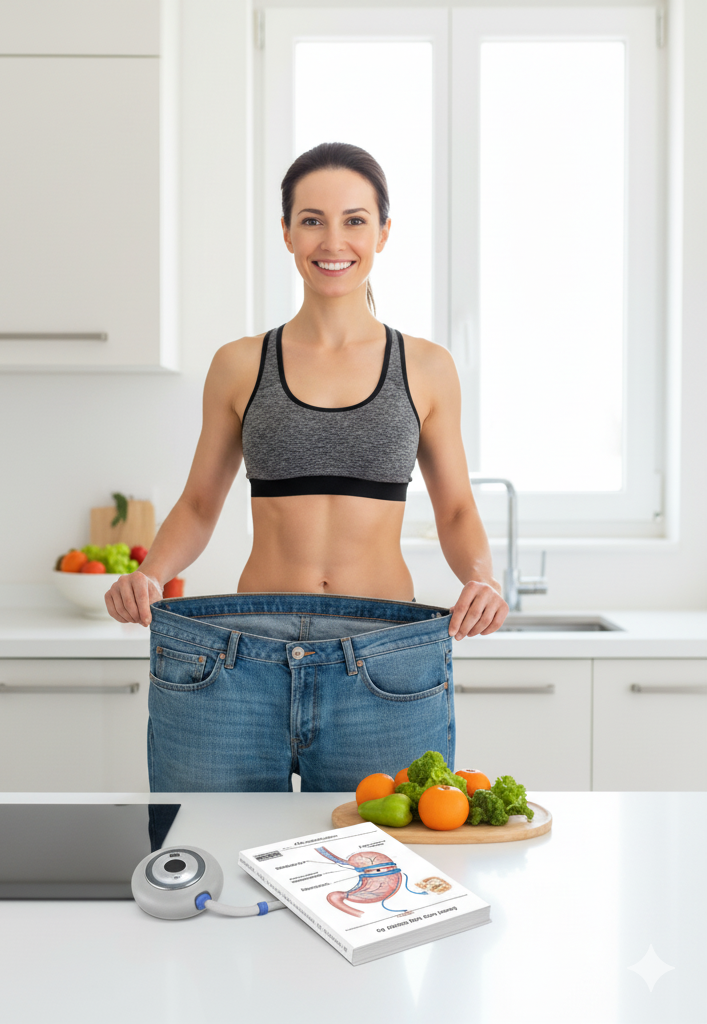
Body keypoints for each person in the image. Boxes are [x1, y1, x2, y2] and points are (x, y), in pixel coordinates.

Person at [106, 141, 509, 792]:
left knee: (377, 872)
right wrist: (151, 574)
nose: (334, 239)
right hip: (244, 655)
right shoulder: (240, 364)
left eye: (354, 219)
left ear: (383, 231)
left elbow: (456, 508)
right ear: (288, 232)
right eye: (312, 219)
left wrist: (484, 579)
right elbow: (201, 503)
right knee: (214, 859)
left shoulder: (427, 367)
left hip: (379, 655)